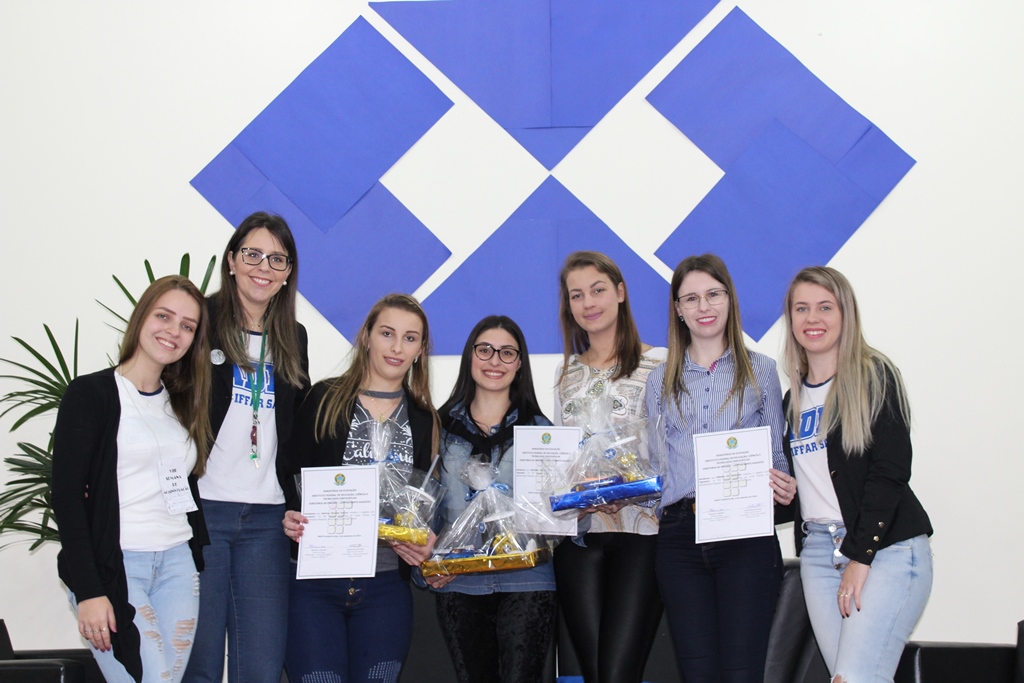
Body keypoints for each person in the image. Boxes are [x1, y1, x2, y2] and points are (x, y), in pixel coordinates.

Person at [52, 275, 213, 683]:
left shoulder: (184, 402)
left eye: (187, 326)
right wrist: (89, 591)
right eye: (164, 316)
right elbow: (67, 499)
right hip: (117, 565)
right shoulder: (92, 394)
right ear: (142, 317)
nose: (173, 331)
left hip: (177, 564)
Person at [645, 253, 796, 683]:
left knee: (742, 672)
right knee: (697, 672)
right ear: (678, 309)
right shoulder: (659, 379)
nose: (703, 307)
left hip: (745, 534)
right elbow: (655, 464)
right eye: (690, 298)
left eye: (713, 294)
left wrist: (783, 485)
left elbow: (776, 455)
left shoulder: (762, 370)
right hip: (679, 537)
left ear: (730, 299)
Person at [782, 266, 932, 683]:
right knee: (849, 678)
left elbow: (890, 472)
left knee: (855, 678)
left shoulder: (873, 375)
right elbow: (809, 491)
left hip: (885, 550)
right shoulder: (792, 400)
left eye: (825, 307)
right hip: (817, 552)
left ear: (845, 314)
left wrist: (860, 556)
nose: (812, 318)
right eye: (801, 308)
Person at [281, 293, 440, 683]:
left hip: (385, 588)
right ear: (366, 337)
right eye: (387, 333)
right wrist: (288, 516)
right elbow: (288, 476)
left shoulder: (424, 419)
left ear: (420, 350)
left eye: (409, 338)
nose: (397, 347)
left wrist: (428, 539)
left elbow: (424, 501)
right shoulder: (324, 399)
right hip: (315, 584)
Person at [184, 212, 310, 683]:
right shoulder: (200, 322)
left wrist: (301, 502)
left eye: (277, 259)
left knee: (260, 666)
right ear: (232, 261)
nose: (264, 267)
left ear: (288, 273)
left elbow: (296, 431)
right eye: (253, 254)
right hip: (204, 510)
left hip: (267, 519)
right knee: (198, 662)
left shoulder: (293, 337)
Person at [553, 251, 666, 683]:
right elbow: (564, 458)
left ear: (620, 292)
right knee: (595, 674)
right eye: (577, 295)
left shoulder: (660, 364)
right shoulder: (566, 374)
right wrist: (576, 492)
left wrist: (630, 486)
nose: (588, 303)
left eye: (598, 290)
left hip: (642, 533)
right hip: (581, 539)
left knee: (619, 674)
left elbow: (671, 454)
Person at [425, 315, 556, 683]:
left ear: (520, 364)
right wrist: (428, 565)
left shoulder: (542, 432)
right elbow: (424, 511)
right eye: (485, 350)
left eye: (507, 353)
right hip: (460, 583)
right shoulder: (438, 429)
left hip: (527, 581)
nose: (495, 361)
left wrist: (577, 505)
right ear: (470, 356)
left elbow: (557, 516)